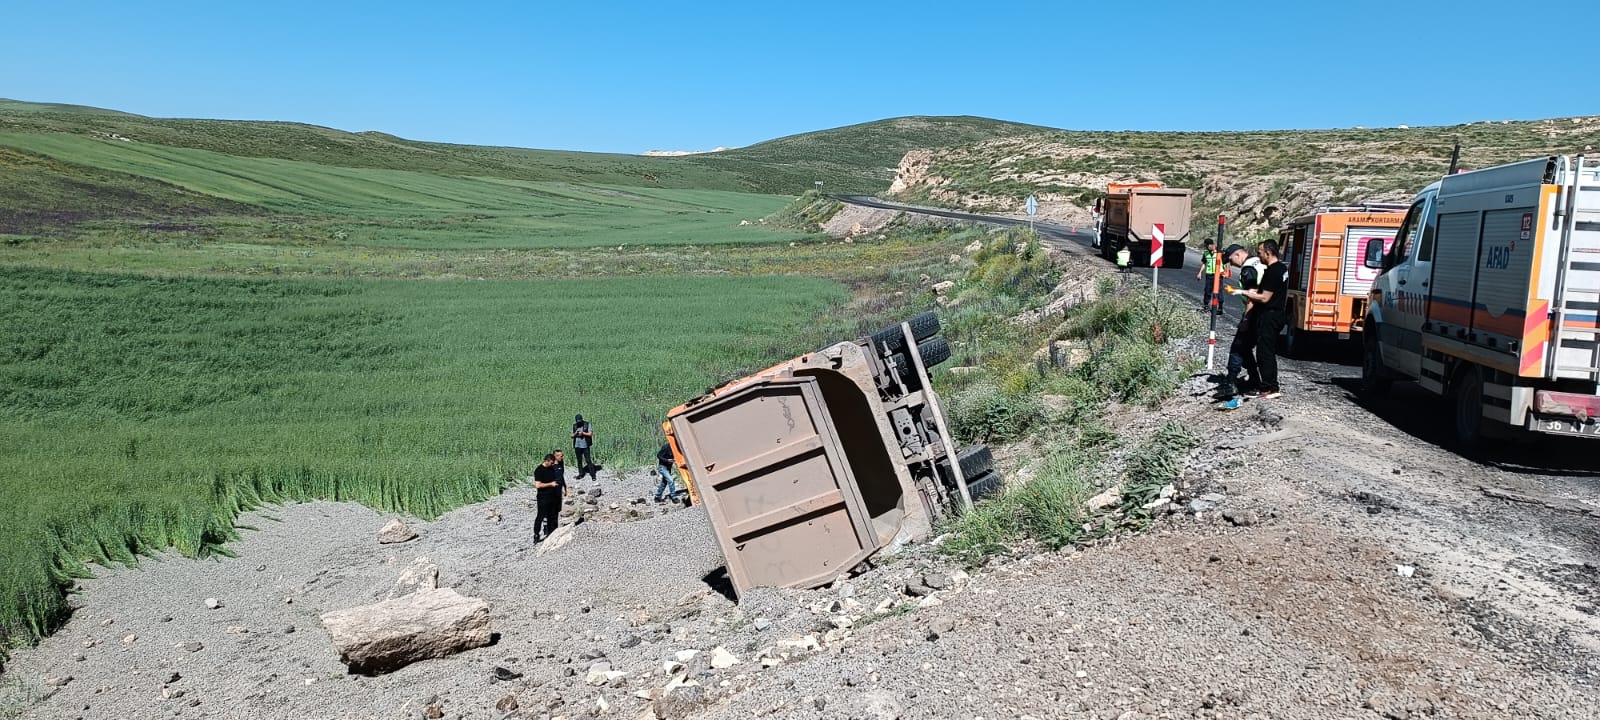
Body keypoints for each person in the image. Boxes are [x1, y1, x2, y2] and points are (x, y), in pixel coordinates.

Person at [1237, 241, 1288, 399]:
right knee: (1266, 351)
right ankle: (1268, 385)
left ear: (1268, 252)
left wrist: (1242, 292)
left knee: (1265, 353)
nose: (1258, 256)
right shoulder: (1280, 269)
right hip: (1274, 314)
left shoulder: (1274, 271)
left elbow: (1265, 297)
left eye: (1260, 252)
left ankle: (1269, 387)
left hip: (1270, 316)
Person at [1216, 244, 1262, 399]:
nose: (1231, 264)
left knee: (1237, 347)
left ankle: (1231, 383)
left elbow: (1252, 294)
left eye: (1230, 260)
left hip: (1254, 313)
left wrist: (1246, 319)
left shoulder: (1248, 269)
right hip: (1266, 313)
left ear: (1237, 255)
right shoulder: (1259, 261)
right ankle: (1255, 381)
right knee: (1246, 349)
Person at [532, 453, 564, 541]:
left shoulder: (551, 469)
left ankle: (551, 533)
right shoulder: (539, 470)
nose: (553, 464)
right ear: (547, 461)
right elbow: (538, 485)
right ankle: (536, 534)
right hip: (543, 497)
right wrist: (550, 484)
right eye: (552, 463)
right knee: (541, 516)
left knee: (552, 515)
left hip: (552, 496)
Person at [1196, 240, 1219, 312]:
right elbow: (1204, 263)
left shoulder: (1219, 252)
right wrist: (1200, 273)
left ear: (1211, 245)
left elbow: (1225, 262)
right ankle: (1206, 305)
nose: (1206, 247)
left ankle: (1216, 307)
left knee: (1217, 292)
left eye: (1207, 246)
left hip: (1217, 274)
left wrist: (1226, 271)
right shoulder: (1206, 253)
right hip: (1209, 274)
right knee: (1207, 291)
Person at [571, 415, 596, 480]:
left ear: (582, 420)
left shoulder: (587, 424)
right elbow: (572, 436)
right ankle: (581, 474)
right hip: (577, 445)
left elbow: (590, 434)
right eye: (577, 421)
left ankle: (593, 475)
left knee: (588, 460)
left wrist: (583, 433)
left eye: (580, 421)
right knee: (579, 461)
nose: (579, 422)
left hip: (585, 445)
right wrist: (575, 433)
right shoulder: (574, 426)